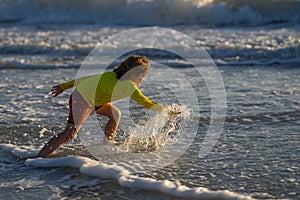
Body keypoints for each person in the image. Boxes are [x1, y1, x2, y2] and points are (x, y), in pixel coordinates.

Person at [37, 55, 165, 157]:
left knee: (115, 113)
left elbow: (86, 79)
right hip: (82, 99)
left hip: (90, 99)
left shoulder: (111, 75)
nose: (142, 80)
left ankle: (108, 143)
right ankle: (40, 157)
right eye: (142, 76)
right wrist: (166, 110)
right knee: (70, 133)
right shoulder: (130, 86)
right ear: (133, 74)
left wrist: (64, 86)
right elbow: (146, 102)